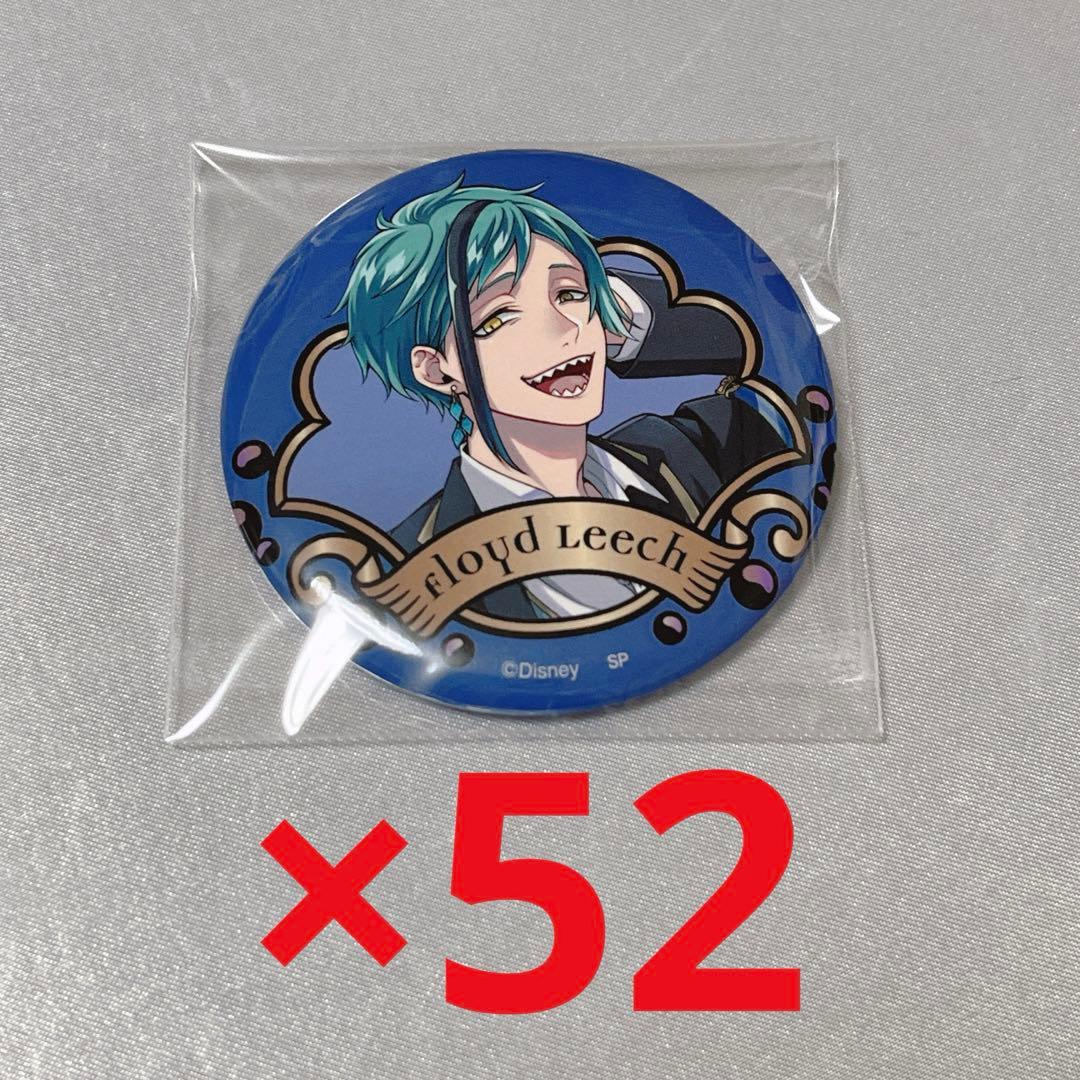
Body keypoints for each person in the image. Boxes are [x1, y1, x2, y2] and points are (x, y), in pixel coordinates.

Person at [339, 178, 785, 619]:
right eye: (497, 316)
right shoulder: (408, 561)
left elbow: (783, 364)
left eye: (570, 293)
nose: (563, 327)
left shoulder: (691, 448)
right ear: (436, 369)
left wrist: (644, 326)